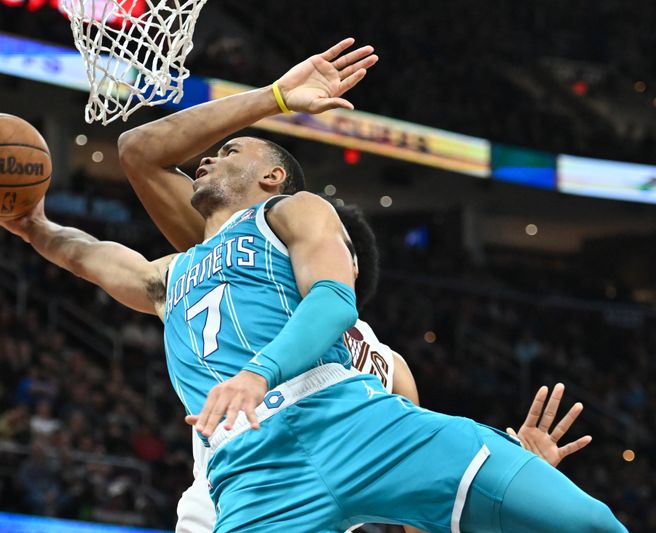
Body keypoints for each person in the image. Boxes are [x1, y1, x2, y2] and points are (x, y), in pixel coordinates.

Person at [0, 39, 626, 532]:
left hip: (347, 417)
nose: (208, 155)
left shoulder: (293, 215)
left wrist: (257, 373)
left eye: (231, 150)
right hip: (249, 467)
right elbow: (87, 249)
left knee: (585, 522)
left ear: (274, 176)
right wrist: (31, 225)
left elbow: (331, 299)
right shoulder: (171, 274)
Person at [152, 201, 591, 533]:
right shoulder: (251, 305)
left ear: (349, 262)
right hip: (225, 501)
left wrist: (515, 476)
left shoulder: (388, 365)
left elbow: (420, 510)